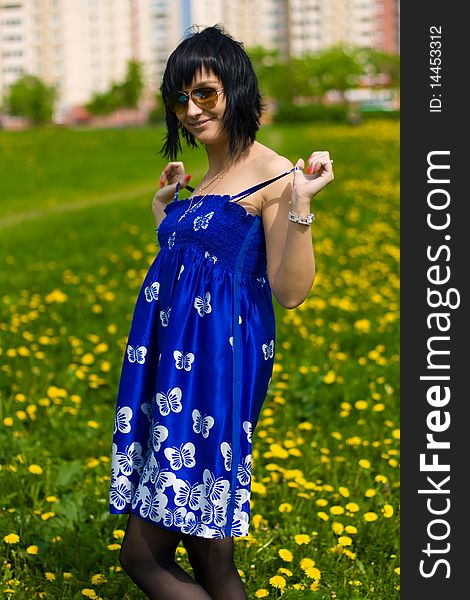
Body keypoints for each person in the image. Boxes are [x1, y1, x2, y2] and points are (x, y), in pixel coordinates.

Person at [109, 24, 334, 600]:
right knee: (211, 563)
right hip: (175, 368)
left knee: (142, 556)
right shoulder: (209, 174)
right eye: (179, 98)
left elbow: (289, 290)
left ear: (236, 90)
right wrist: (165, 214)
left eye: (204, 93)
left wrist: (301, 207)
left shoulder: (274, 174)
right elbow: (199, 270)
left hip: (210, 376)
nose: (191, 108)